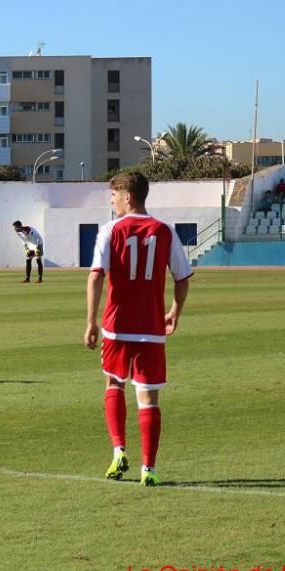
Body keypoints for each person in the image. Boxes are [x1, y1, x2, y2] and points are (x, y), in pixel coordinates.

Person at [84, 172, 192, 487]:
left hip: (117, 327)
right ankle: (149, 469)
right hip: (152, 328)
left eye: (114, 197)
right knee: (149, 398)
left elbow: (95, 276)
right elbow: (182, 278)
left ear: (128, 197)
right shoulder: (166, 231)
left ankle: (118, 450)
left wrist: (91, 321)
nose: (112, 202)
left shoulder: (110, 230)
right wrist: (174, 312)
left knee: (114, 384)